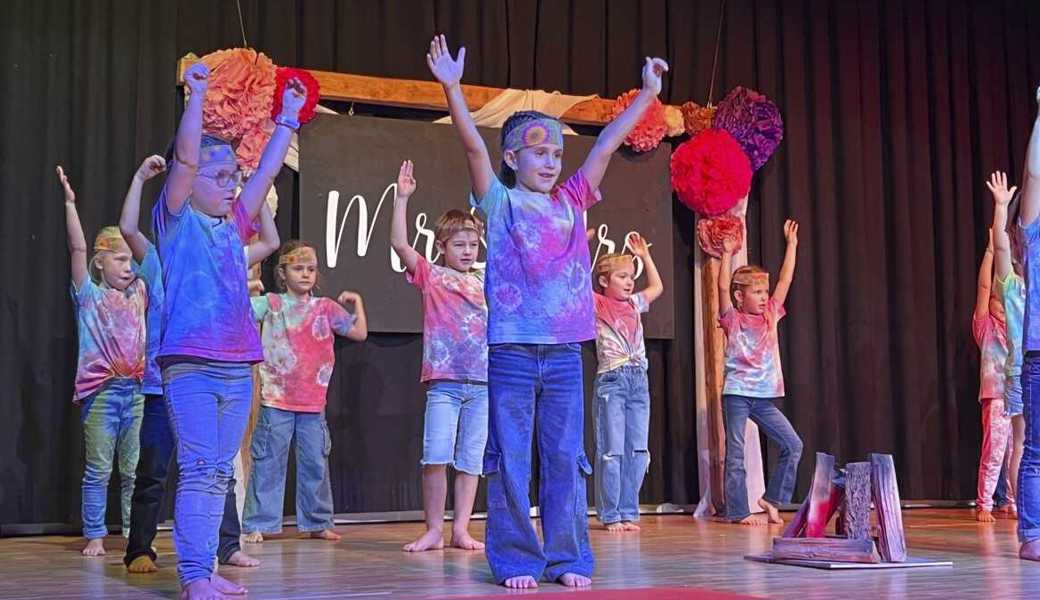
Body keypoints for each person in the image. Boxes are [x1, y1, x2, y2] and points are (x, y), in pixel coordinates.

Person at [428, 33, 668, 588]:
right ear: (512, 158)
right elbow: (471, 150)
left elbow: (606, 145)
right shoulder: (500, 201)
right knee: (511, 457)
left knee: (564, 457)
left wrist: (648, 95)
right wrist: (453, 89)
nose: (551, 162)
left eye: (557, 154)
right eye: (539, 153)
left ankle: (567, 557)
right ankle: (515, 559)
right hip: (512, 349)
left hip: (562, 352)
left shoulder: (572, 200)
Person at [717, 220, 804, 527]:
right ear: (741, 297)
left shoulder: (770, 315)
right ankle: (738, 511)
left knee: (793, 445)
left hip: (764, 397)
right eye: (756, 292)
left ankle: (772, 499)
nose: (764, 296)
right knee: (736, 453)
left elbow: (785, 281)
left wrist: (791, 246)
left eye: (764, 291)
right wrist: (727, 254)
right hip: (738, 394)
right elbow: (721, 287)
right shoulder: (732, 318)